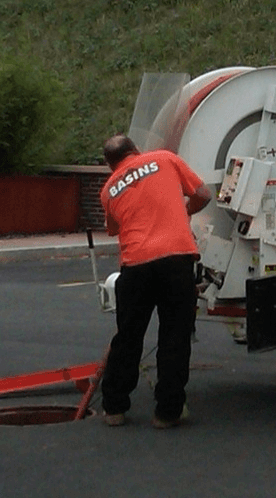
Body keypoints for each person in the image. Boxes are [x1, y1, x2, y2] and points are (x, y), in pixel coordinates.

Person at [97, 133, 213, 429]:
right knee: (174, 336)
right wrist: (182, 211)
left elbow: (114, 228)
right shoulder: (164, 158)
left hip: (135, 265)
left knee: (128, 337)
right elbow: (203, 194)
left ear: (111, 165)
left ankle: (114, 408)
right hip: (177, 259)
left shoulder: (109, 189)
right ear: (136, 149)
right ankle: (167, 412)